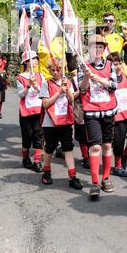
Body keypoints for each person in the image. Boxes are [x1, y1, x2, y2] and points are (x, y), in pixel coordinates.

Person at [78, 35, 117, 199]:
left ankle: (106, 178)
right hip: (91, 111)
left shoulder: (110, 65)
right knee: (95, 147)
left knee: (107, 146)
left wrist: (100, 79)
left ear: (104, 49)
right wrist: (87, 76)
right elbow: (82, 89)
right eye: (94, 47)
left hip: (108, 111)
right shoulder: (83, 66)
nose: (98, 50)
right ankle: (94, 182)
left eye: (100, 47)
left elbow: (114, 85)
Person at [39, 58, 83, 190]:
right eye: (53, 70)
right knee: (50, 147)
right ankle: (46, 171)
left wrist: (67, 88)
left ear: (63, 69)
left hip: (65, 121)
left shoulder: (67, 82)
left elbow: (71, 100)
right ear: (49, 70)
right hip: (50, 122)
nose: (56, 72)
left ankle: (72, 176)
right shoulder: (46, 84)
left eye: (58, 69)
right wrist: (59, 92)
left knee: (68, 148)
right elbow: (45, 104)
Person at [107, 52, 127, 177]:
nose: (118, 66)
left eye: (119, 63)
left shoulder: (125, 75)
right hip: (117, 116)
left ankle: (125, 153)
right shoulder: (107, 80)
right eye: (115, 64)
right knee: (118, 141)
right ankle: (117, 166)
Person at [16, 51, 44, 172]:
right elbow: (20, 94)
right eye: (33, 59)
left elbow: (42, 92)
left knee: (38, 135)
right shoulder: (20, 77)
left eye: (36, 58)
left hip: (38, 109)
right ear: (26, 62)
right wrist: (28, 86)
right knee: (27, 135)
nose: (36, 61)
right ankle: (25, 158)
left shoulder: (40, 75)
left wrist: (36, 86)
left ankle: (37, 161)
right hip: (26, 110)